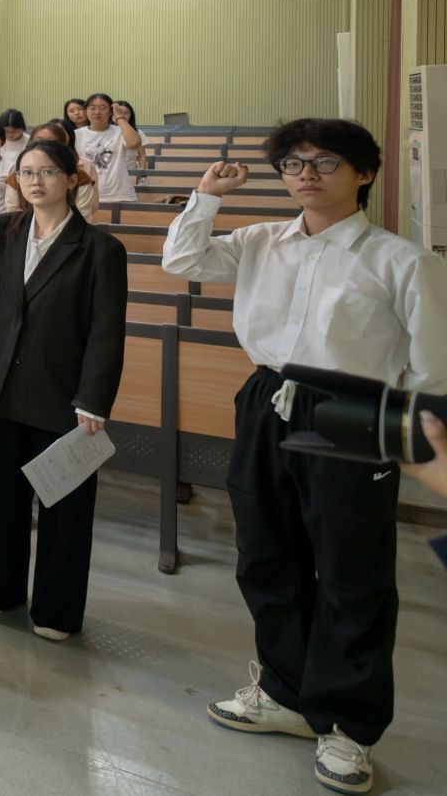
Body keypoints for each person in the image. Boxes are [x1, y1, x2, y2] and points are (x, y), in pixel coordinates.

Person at [163, 119, 447, 795]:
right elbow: (182, 260)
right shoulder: (261, 240)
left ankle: (347, 724)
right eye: (293, 163)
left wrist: (392, 431)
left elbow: (433, 368)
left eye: (324, 162)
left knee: (352, 570)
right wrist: (206, 195)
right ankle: (286, 693)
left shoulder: (402, 261)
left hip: (352, 411)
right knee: (266, 551)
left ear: (364, 173)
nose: (306, 174)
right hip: (267, 397)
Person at [0, 141, 128, 644]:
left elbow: (107, 331)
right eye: (26, 172)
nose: (36, 181)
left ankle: (56, 610)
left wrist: (94, 398)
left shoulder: (100, 249)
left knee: (65, 506)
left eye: (47, 172)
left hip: (59, 393)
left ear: (72, 179)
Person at [3, 121, 99, 220]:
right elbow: (12, 211)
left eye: (52, 142)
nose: (44, 146)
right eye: (38, 141)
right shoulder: (18, 175)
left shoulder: (80, 177)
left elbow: (83, 214)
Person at [75, 92, 141, 204]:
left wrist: (119, 117)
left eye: (103, 108)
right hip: (86, 195)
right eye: (92, 108)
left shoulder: (120, 131)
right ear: (85, 111)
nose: (97, 112)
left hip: (119, 194)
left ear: (111, 111)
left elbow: (134, 143)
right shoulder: (76, 134)